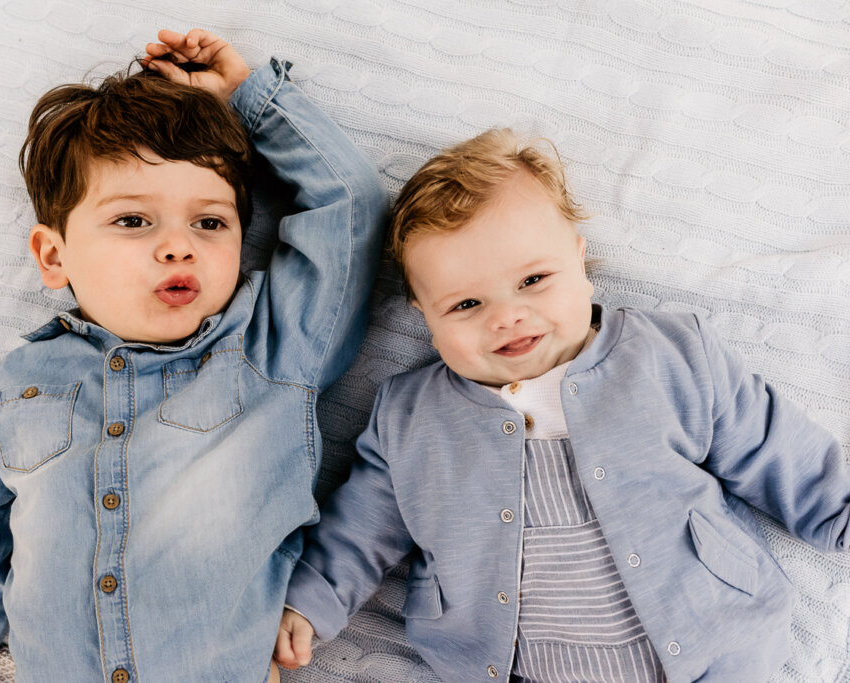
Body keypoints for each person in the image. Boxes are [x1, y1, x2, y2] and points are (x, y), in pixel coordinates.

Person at [0, 28, 387, 683]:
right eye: (134, 221)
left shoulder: (274, 343)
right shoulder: (19, 385)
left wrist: (249, 97)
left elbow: (353, 210)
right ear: (54, 256)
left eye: (210, 222)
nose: (178, 246)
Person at [273, 128, 850, 682]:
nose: (506, 316)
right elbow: (361, 529)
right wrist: (307, 604)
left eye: (533, 280)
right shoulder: (410, 418)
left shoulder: (669, 356)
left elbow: (776, 449)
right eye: (466, 303)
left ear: (580, 261)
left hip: (712, 640)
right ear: (424, 318)